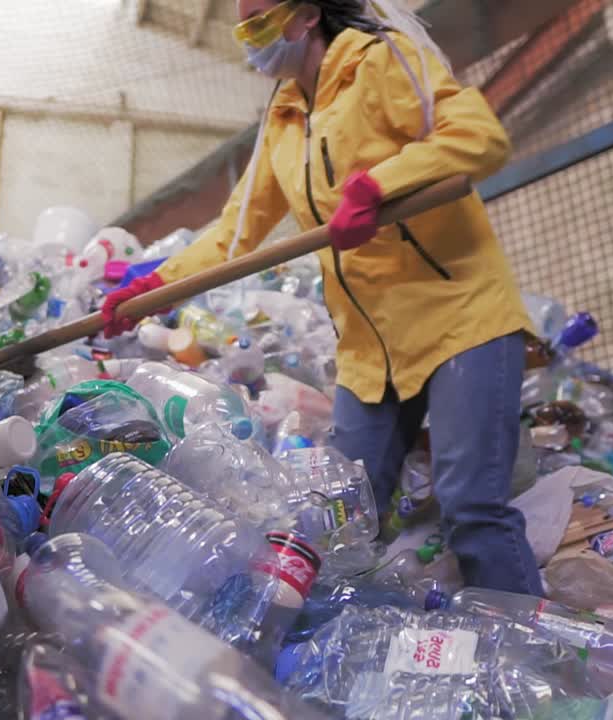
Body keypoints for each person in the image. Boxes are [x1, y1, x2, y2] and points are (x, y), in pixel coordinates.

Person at [101, 0, 542, 596]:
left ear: (307, 14)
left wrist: (378, 186)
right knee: (335, 518)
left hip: (459, 319)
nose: (244, 33)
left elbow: (478, 138)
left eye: (257, 16)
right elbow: (238, 230)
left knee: (472, 508)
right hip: (369, 351)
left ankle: (539, 655)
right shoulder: (282, 116)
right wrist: (157, 285)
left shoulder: (382, 60)